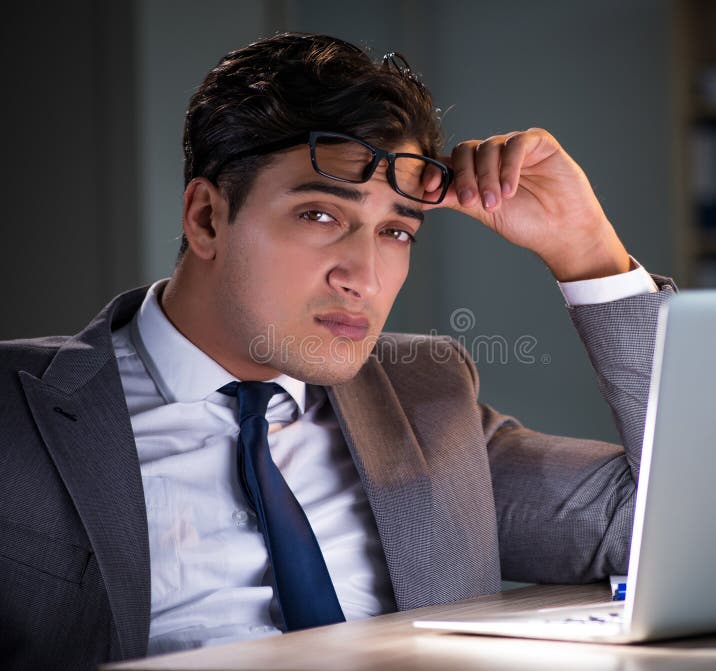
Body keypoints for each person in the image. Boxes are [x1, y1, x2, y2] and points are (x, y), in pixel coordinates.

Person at [0, 32, 674, 670]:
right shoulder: (16, 412)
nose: (366, 276)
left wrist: (588, 253)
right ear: (207, 217)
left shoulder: (426, 399)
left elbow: (667, 526)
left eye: (396, 232)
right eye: (321, 215)